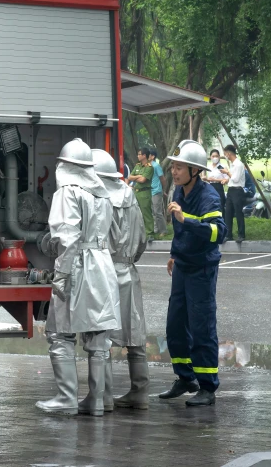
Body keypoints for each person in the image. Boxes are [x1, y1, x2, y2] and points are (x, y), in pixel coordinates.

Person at [36, 138, 120, 417]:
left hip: (78, 266)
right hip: (102, 264)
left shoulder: (68, 192)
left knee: (60, 332)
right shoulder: (102, 193)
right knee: (98, 337)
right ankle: (96, 401)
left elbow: (67, 237)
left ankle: (66, 397)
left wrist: (61, 274)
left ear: (65, 166)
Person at [159, 139, 227, 407]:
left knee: (202, 327)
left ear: (195, 170)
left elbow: (217, 232)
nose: (174, 172)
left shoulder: (209, 196)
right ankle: (186, 378)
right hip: (183, 266)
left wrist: (187, 219)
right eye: (173, 166)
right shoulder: (179, 193)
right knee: (175, 326)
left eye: (179, 167)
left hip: (202, 269)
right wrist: (175, 255)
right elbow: (180, 231)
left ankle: (207, 387)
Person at [92, 149, 150, 411]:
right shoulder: (131, 196)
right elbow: (143, 240)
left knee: (99, 337)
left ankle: (104, 397)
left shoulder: (98, 198)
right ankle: (140, 393)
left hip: (104, 271)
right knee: (134, 334)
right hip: (129, 269)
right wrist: (129, 259)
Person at [128, 147, 155, 240]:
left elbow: (143, 180)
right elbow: (129, 177)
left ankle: (150, 233)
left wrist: (136, 177)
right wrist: (138, 176)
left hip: (144, 193)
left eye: (139, 154)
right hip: (136, 192)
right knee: (136, 213)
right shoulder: (137, 166)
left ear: (144, 156)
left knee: (146, 213)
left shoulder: (149, 167)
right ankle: (139, 233)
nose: (138, 156)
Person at [221, 144, 245, 242]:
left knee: (238, 212)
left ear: (229, 154)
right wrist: (226, 180)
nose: (225, 156)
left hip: (237, 190)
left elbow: (235, 178)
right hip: (231, 190)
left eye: (225, 154)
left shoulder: (238, 164)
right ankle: (228, 234)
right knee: (228, 212)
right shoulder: (232, 164)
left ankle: (241, 234)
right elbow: (231, 178)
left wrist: (226, 172)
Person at [149, 149, 168, 238]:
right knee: (153, 212)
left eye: (148, 155)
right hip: (150, 191)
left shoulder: (156, 166)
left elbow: (162, 179)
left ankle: (163, 230)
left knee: (158, 212)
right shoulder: (146, 166)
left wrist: (163, 190)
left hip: (156, 191)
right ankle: (156, 229)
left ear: (152, 156)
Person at [203, 149, 228, 216]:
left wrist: (216, 180)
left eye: (216, 156)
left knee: (220, 205)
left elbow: (226, 179)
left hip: (219, 187)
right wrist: (207, 179)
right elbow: (209, 179)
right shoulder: (209, 167)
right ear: (210, 157)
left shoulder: (221, 167)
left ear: (219, 157)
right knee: (211, 206)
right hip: (210, 187)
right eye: (213, 156)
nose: (215, 158)